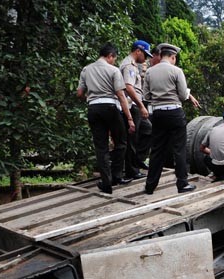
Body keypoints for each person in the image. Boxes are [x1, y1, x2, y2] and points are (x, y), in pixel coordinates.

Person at [77, 43, 136, 194]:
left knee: (101, 146)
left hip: (93, 109)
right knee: (121, 141)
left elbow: (79, 93)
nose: (114, 61)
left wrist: (91, 99)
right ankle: (117, 175)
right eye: (114, 59)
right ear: (110, 56)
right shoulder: (113, 70)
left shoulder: (86, 69)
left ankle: (106, 182)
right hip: (110, 108)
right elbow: (121, 95)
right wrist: (129, 118)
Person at [142, 43, 200, 195]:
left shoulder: (149, 72)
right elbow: (182, 95)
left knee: (156, 150)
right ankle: (182, 183)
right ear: (173, 57)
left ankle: (150, 186)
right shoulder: (177, 71)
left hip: (158, 113)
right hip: (174, 112)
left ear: (161, 56)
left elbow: (146, 96)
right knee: (179, 149)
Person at [120, 40, 152, 180]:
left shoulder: (132, 65)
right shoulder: (129, 66)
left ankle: (137, 161)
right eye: (145, 54)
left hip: (134, 105)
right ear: (138, 51)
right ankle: (132, 170)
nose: (145, 58)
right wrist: (141, 105)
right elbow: (128, 87)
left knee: (147, 129)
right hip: (132, 105)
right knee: (132, 138)